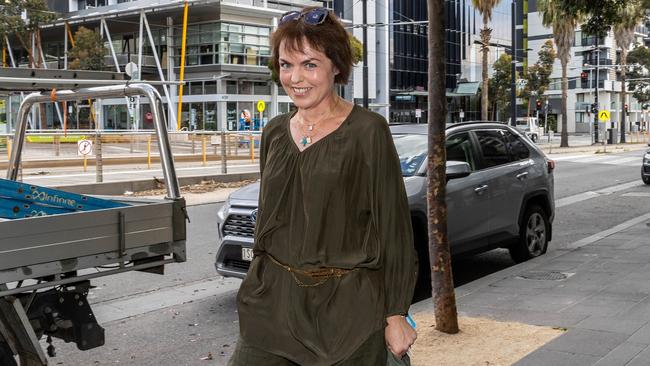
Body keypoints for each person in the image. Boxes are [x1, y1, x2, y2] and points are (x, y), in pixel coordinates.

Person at [228, 7, 418, 366]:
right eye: (286, 65)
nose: (295, 78)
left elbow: (393, 230)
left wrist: (395, 314)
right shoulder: (274, 133)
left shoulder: (368, 131)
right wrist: (255, 285)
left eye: (310, 64)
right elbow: (269, 219)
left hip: (346, 313)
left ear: (336, 66)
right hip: (271, 306)